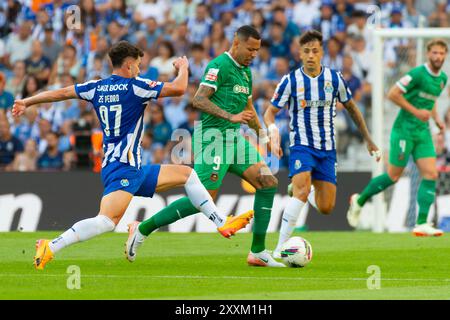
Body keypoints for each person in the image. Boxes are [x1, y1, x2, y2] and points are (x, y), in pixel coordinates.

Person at [11, 41, 253, 270]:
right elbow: (179, 88)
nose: (139, 69)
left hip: (132, 167)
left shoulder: (96, 86)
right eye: (137, 64)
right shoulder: (136, 86)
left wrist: (27, 101)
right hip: (122, 168)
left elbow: (62, 92)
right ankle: (51, 245)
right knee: (106, 222)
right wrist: (183, 68)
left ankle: (221, 222)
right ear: (128, 65)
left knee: (187, 174)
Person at [128, 25, 284, 267]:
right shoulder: (218, 66)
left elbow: (248, 110)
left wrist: (264, 137)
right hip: (212, 138)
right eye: (250, 49)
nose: (254, 54)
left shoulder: (246, 72)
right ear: (236, 42)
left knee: (268, 182)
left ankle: (258, 251)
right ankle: (142, 228)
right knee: (205, 197)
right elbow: (198, 99)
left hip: (235, 139)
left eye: (257, 50)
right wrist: (229, 116)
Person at [264, 30, 380, 258]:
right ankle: (279, 248)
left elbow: (352, 108)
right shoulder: (290, 81)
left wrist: (368, 139)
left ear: (322, 53)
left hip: (327, 149)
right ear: (299, 54)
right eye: (306, 51)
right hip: (302, 145)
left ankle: (303, 191)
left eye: (314, 51)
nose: (310, 55)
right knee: (301, 190)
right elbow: (269, 112)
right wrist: (272, 132)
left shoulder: (334, 79)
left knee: (326, 207)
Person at [347, 39, 448, 237]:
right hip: (403, 130)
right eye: (434, 53)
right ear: (428, 54)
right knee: (393, 176)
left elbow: (431, 99)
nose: (438, 57)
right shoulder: (418, 73)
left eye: (441, 53)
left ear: (445, 55)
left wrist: (436, 120)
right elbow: (392, 94)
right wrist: (416, 111)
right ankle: (359, 200)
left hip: (423, 132)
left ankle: (421, 223)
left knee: (431, 174)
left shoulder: (442, 78)